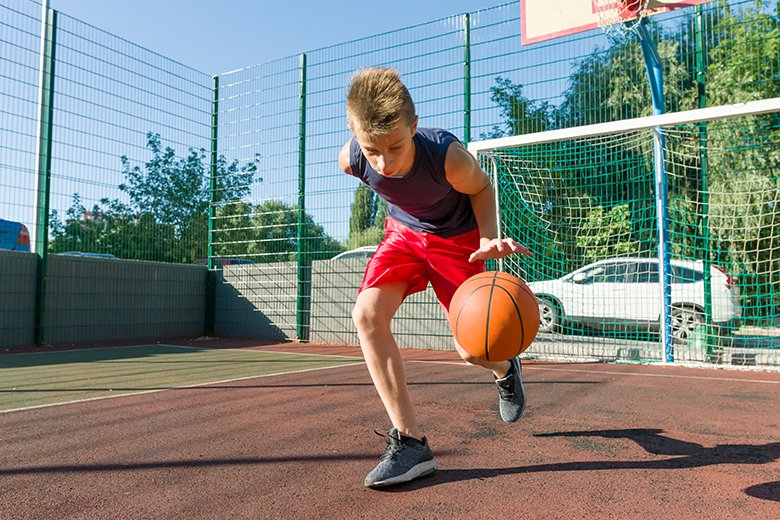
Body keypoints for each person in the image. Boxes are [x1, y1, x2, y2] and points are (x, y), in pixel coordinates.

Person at [337, 67, 532, 488]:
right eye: (372, 150)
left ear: (415, 126)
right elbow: (378, 172)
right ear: (356, 138)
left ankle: (504, 369)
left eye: (395, 146)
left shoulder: (448, 156)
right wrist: (372, 162)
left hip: (458, 241)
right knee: (366, 316)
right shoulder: (351, 159)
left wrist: (490, 238)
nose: (384, 162)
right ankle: (410, 444)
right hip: (404, 235)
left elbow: (483, 190)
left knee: (472, 349)